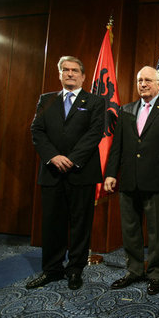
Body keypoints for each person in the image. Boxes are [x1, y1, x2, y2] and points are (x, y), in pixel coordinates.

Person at [103, 66, 159, 295]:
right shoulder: (126, 109)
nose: (143, 84)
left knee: (158, 232)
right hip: (129, 180)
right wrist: (111, 173)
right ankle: (134, 271)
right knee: (130, 229)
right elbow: (117, 147)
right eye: (140, 80)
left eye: (148, 80)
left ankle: (157, 274)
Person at [29, 56, 105, 290]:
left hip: (81, 172)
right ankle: (51, 270)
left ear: (83, 76)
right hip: (52, 171)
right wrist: (53, 157)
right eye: (65, 70)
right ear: (60, 74)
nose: (70, 74)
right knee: (52, 223)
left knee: (80, 225)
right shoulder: (46, 100)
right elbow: (37, 131)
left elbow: (95, 133)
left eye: (74, 70)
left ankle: (75, 270)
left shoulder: (95, 101)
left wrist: (72, 159)